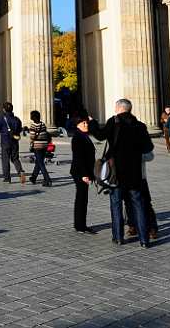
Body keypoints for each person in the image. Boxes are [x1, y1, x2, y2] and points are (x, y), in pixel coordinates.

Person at [89, 99, 155, 248]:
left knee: (116, 204)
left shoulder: (114, 121)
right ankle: (144, 240)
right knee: (139, 205)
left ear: (119, 108)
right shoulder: (140, 125)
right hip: (134, 173)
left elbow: (100, 135)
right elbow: (148, 148)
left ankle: (118, 237)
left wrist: (92, 123)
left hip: (116, 174)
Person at [70, 116, 96, 234]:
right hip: (80, 172)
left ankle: (81, 224)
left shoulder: (83, 135)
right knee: (81, 199)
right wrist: (84, 174)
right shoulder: (77, 137)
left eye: (86, 122)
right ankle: (80, 225)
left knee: (83, 199)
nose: (86, 124)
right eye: (84, 123)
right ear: (78, 125)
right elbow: (79, 157)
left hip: (83, 171)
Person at [0, 102, 25, 183]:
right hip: (14, 141)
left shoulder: (2, 118)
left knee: (5, 159)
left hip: (5, 141)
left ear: (4, 109)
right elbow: (20, 129)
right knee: (15, 158)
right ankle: (20, 171)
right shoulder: (17, 119)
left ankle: (7, 177)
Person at [26, 110, 53, 187]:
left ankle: (47, 179)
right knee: (38, 161)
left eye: (31, 115)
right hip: (44, 145)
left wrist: (31, 142)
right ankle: (33, 177)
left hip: (37, 146)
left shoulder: (33, 125)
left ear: (33, 117)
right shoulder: (43, 124)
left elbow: (32, 137)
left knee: (41, 163)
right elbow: (45, 134)